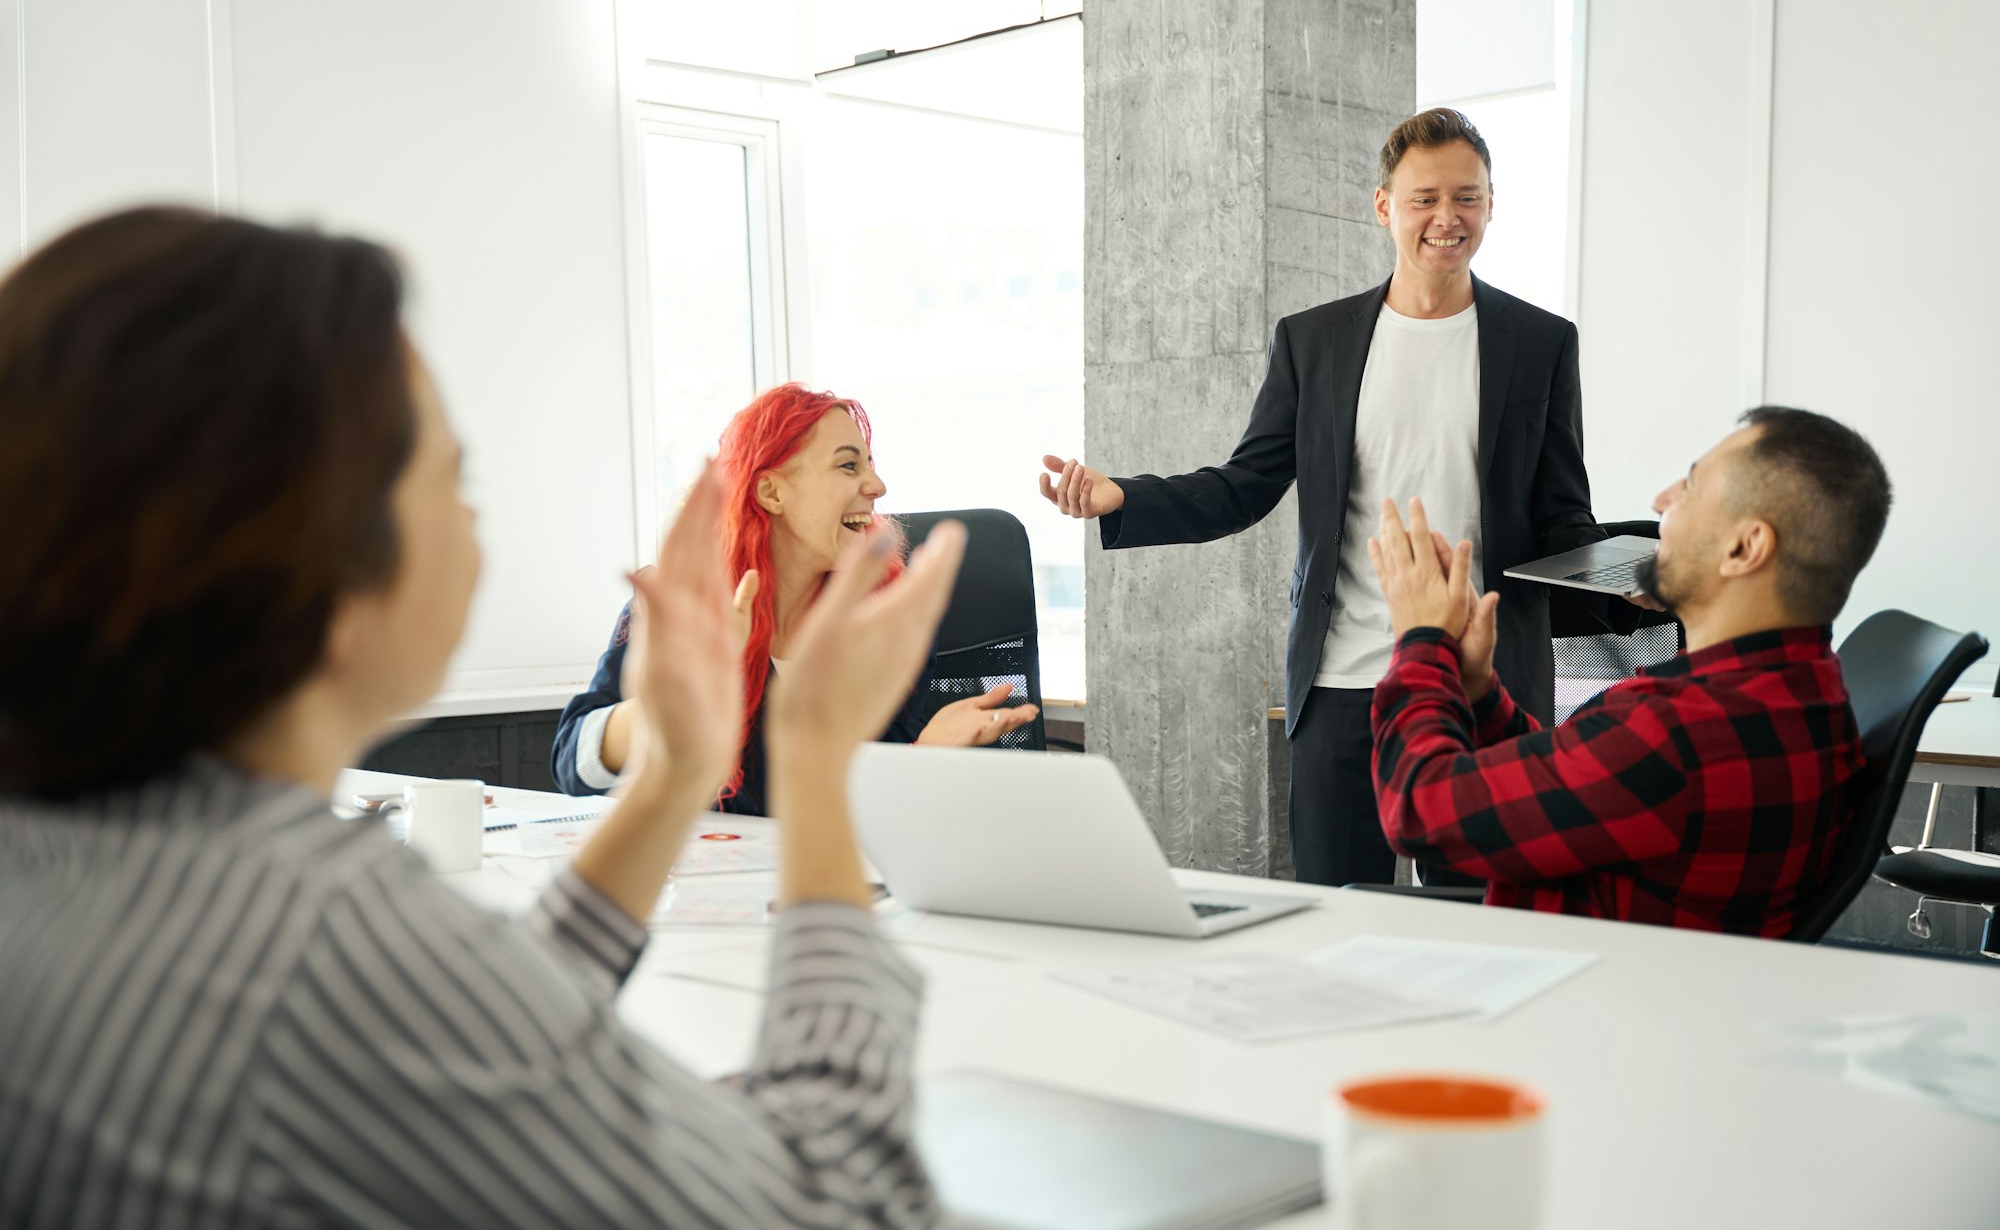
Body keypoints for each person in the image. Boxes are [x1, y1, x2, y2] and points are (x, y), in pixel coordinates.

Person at [0, 206, 958, 1227]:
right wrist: (812, 764)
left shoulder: (66, 864)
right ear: (319, 565)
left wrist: (679, 771)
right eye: (454, 475)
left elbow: (469, 1047)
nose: (471, 518)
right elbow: (846, 1207)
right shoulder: (332, 951)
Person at [1038, 108, 1607, 886]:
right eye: (1425, 198)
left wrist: (1638, 575)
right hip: (1344, 684)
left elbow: (1564, 515)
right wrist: (1121, 499)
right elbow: (1243, 488)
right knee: (1340, 919)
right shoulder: (1314, 342)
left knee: (1481, 925)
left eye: (1467, 197)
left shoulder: (1542, 342)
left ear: (1491, 203)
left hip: (1484, 684)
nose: (1448, 218)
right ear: (1384, 207)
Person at [1367, 407, 1893, 936]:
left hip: (1554, 989)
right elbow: (1583, 782)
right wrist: (1478, 692)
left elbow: (1417, 808)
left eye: (1690, 487)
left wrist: (1422, 641)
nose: (1661, 500)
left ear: (1744, 547)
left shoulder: (1676, 732)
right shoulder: (1805, 689)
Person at [552, 382, 1039, 805]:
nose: (877, 485)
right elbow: (571, 763)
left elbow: (857, 807)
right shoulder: (686, 608)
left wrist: (921, 758)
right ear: (772, 493)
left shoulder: (891, 623)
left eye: (869, 464)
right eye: (848, 467)